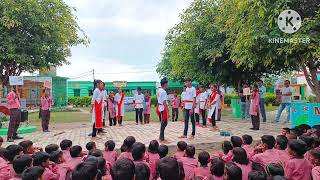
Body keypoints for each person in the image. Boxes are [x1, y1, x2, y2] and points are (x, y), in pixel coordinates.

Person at [156, 78, 169, 143]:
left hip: (160, 107)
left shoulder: (159, 90)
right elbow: (164, 102)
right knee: (164, 122)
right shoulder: (163, 91)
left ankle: (161, 136)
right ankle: (161, 137)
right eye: (167, 84)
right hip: (163, 108)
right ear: (165, 84)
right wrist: (167, 111)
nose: (167, 85)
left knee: (163, 122)